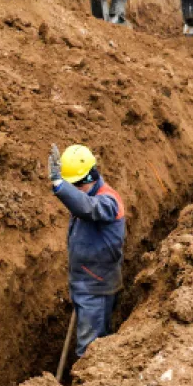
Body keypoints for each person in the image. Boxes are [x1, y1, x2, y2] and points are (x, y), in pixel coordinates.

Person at [48, 144, 127, 358]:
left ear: (87, 179)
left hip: (95, 288)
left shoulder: (108, 201)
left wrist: (59, 186)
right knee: (94, 339)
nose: (72, 191)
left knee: (89, 350)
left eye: (74, 186)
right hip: (85, 283)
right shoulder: (88, 194)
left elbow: (87, 207)